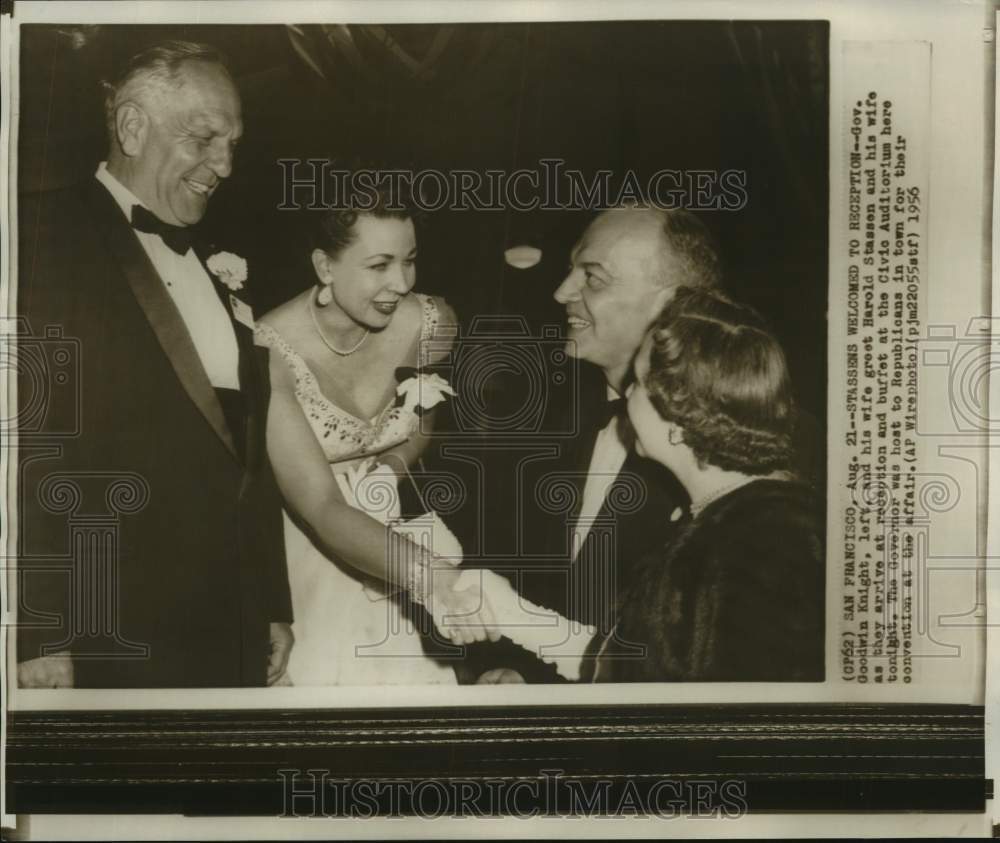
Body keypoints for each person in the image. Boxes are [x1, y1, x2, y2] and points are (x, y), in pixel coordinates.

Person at [16, 41, 293, 688]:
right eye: (204, 138)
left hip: (227, 630)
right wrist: (36, 631)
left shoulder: (221, 264)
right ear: (133, 125)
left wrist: (271, 601)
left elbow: (244, 446)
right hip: (101, 634)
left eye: (233, 143)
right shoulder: (39, 236)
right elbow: (23, 446)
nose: (223, 164)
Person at [255, 191, 498, 685]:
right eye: (379, 265)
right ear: (325, 266)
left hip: (394, 531)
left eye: (409, 261)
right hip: (309, 553)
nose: (401, 283)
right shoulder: (269, 349)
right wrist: (432, 577)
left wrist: (389, 469)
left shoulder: (432, 321)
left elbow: (422, 422)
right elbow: (322, 508)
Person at [471, 206, 721, 684]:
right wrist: (510, 668)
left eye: (594, 278)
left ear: (669, 306)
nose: (562, 292)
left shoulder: (727, 453)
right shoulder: (546, 418)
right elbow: (518, 571)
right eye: (571, 271)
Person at [591, 286, 824, 682]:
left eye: (639, 382)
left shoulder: (759, 552)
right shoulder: (744, 522)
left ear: (679, 419)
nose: (627, 394)